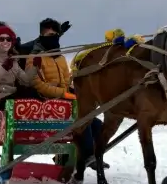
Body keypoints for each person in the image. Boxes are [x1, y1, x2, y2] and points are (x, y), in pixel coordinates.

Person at [29, 18, 109, 170]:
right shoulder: (34, 58)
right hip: (45, 104)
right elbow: (38, 85)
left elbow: (67, 79)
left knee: (97, 124)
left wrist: (71, 91)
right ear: (41, 36)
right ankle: (87, 156)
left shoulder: (60, 58)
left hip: (64, 104)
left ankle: (94, 155)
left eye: (55, 35)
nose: (52, 38)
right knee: (81, 120)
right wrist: (61, 93)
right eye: (49, 35)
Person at [0, 24, 43, 110]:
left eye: (8, 39)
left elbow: (26, 81)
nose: (5, 42)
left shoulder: (13, 60)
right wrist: (4, 68)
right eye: (1, 39)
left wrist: (35, 67)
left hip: (10, 97)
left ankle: (44, 115)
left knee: (31, 92)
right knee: (26, 99)